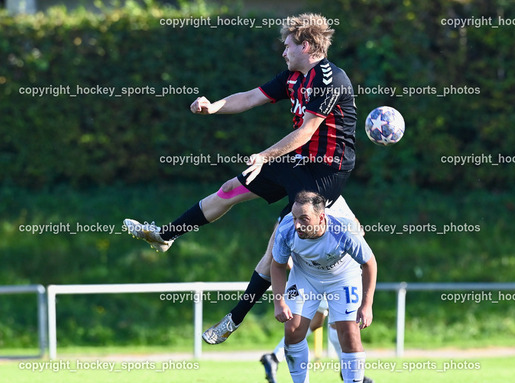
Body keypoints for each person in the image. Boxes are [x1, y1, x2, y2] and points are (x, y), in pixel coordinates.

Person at [123, 13, 357, 345]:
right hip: (298, 161)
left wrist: (264, 156)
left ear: (305, 46)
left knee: (276, 244)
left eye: (287, 46)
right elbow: (250, 96)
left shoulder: (331, 79)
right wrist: (213, 107)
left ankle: (235, 317)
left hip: (327, 170)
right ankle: (165, 235)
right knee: (230, 189)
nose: (283, 52)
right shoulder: (293, 76)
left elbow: (306, 133)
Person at [272, 191, 377, 383]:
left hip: (343, 278)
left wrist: (367, 305)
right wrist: (279, 301)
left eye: (304, 219)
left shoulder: (343, 231)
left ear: (321, 217)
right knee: (292, 330)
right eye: (295, 217)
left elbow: (369, 264)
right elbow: (277, 266)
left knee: (349, 333)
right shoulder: (287, 229)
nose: (297, 224)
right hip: (305, 277)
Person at [260, 297, 375, 383]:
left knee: (317, 322)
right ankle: (349, 370)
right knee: (343, 321)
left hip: (325, 275)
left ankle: (275, 356)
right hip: (332, 276)